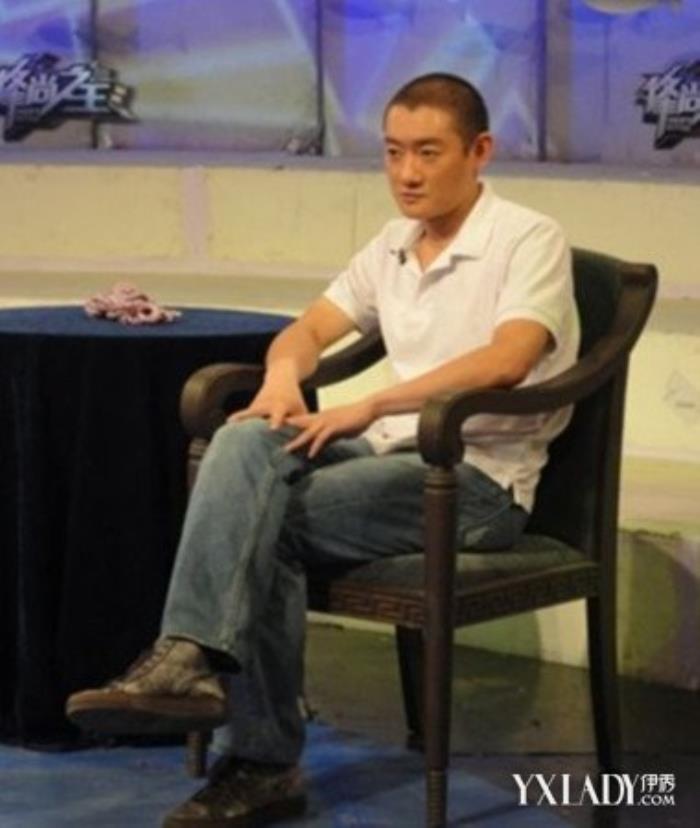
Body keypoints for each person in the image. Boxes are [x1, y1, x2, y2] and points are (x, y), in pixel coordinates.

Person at [66, 73, 579, 827]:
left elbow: (509, 359)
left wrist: (371, 403)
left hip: (473, 479)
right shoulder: (394, 244)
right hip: (389, 457)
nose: (406, 173)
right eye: (393, 152)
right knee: (245, 438)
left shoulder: (527, 237)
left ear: (479, 152)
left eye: (428, 152)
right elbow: (306, 331)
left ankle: (252, 748)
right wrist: (281, 379)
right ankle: (191, 661)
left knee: (261, 521)